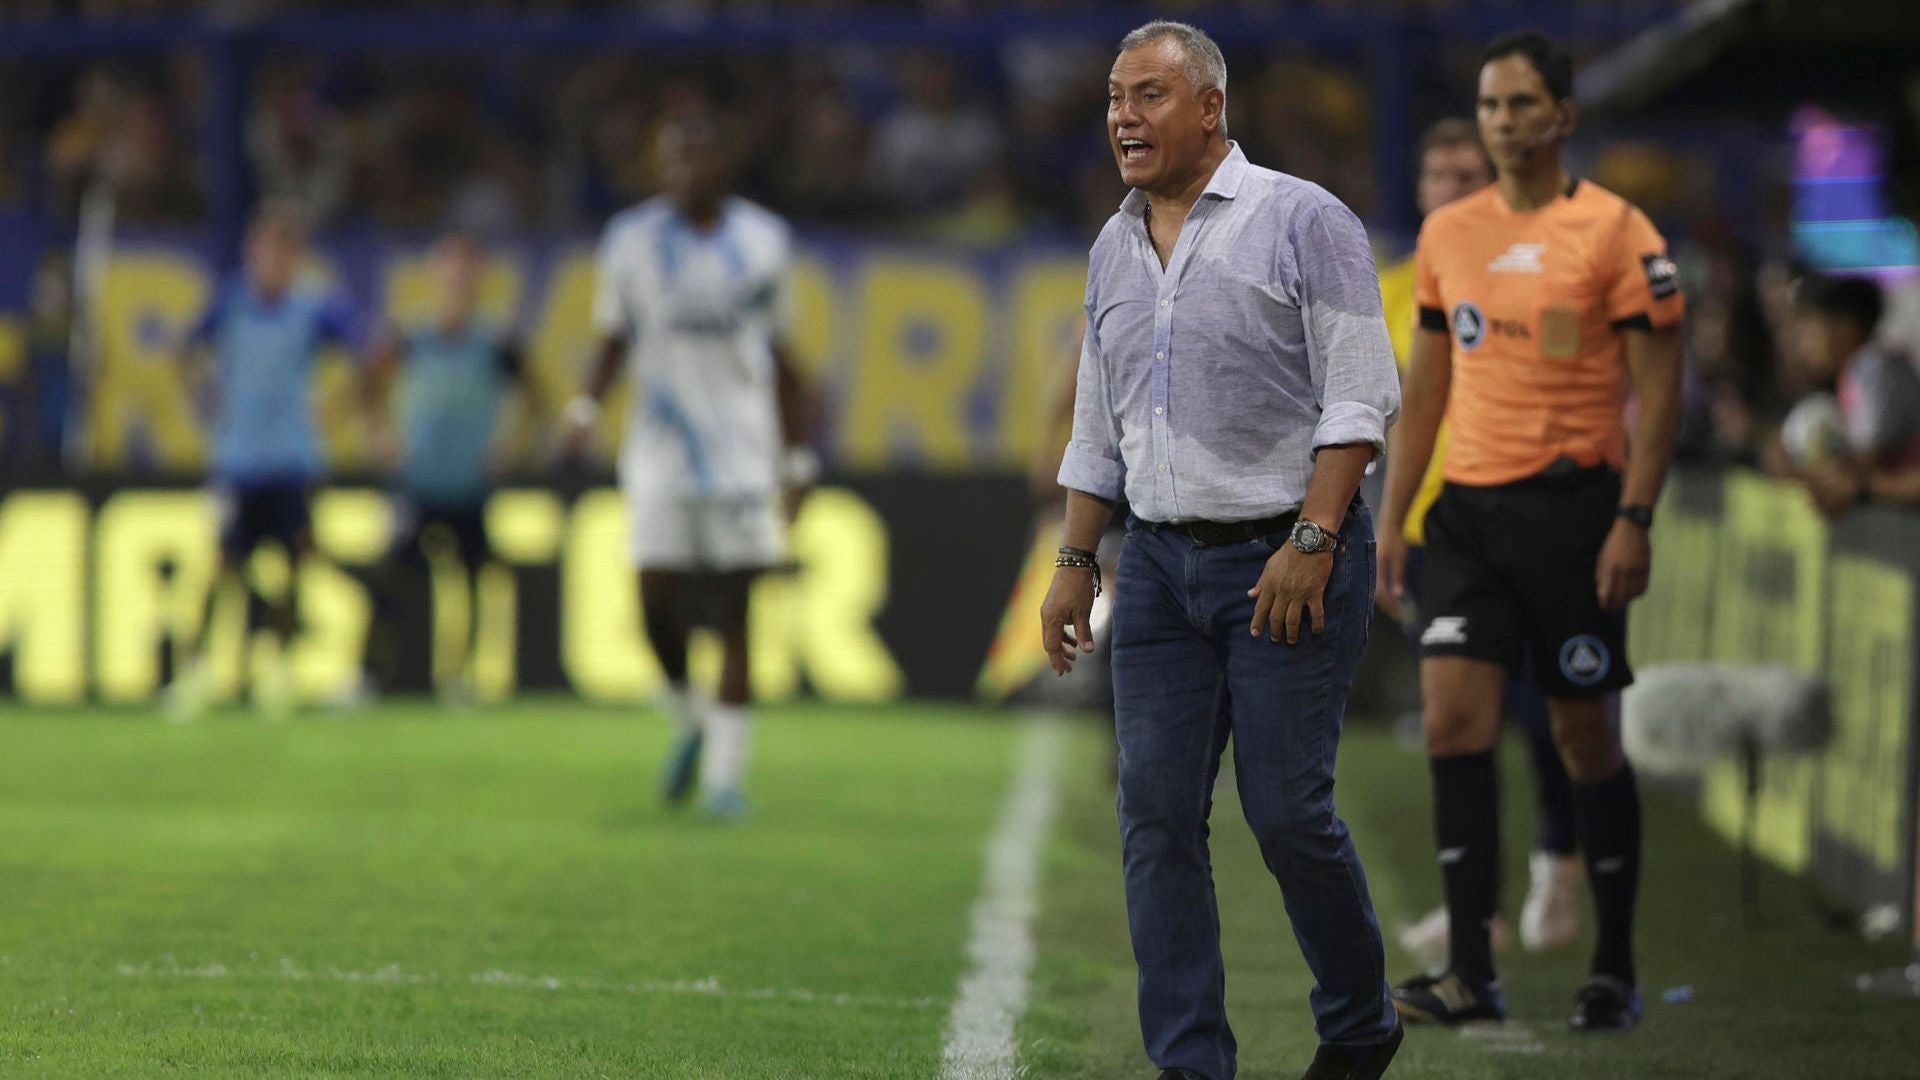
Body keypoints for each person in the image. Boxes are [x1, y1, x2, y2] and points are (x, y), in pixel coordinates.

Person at [1041, 21, 1403, 1080]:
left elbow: (1360, 393)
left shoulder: (1303, 220)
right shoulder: (1112, 244)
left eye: (1149, 94)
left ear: (1211, 109)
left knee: (1287, 814)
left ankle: (1360, 1023)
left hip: (1287, 556)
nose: (1122, 115)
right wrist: (1075, 560)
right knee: (1154, 815)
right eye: (1115, 95)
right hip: (1154, 564)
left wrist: (1313, 534)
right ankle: (1190, 1062)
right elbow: (1097, 427)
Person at [1378, 31, 1685, 1032]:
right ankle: (1471, 969)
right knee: (1456, 723)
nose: (1502, 123)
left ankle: (1614, 964)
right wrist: (1393, 514)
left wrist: (1633, 518)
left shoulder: (1618, 233)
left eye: (1519, 105)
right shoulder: (1448, 236)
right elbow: (1427, 388)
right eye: (1489, 106)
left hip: (1574, 516)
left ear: (1563, 116)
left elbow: (1660, 392)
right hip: (1466, 516)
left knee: (1582, 734)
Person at [566, 109, 818, 820]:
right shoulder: (631, 242)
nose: (688, 171)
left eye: (701, 157)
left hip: (742, 451)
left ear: (723, 167)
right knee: (653, 600)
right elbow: (612, 338)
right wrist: (584, 411)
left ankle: (725, 781)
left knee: (737, 613)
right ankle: (690, 721)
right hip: (661, 449)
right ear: (659, 166)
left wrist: (797, 460)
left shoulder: (764, 243)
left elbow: (784, 360)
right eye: (676, 158)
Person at [1378, 119, 1584, 960]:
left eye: (1470, 172)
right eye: (1439, 172)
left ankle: (1558, 863)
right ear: (1421, 189)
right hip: (1437, 530)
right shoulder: (1391, 288)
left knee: (1544, 710)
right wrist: (1384, 527)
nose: (1454, 185)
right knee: (1460, 722)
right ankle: (1478, 909)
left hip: (1532, 520)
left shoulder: (1535, 272)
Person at [165, 200, 363, 720]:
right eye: (264, 251)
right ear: (252, 253)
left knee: (294, 566)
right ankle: (199, 670)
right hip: (238, 461)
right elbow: (185, 353)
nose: (271, 262)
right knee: (224, 564)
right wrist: (205, 406)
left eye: (282, 253)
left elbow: (373, 352)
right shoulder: (229, 302)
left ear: (296, 258)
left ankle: (278, 668)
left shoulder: (314, 307)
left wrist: (335, 408)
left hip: (294, 460)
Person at [362, 232, 539, 702]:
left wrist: (509, 445)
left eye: (468, 270)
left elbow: (532, 398)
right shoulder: (410, 336)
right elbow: (368, 386)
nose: (459, 279)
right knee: (391, 579)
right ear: (435, 276)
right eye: (451, 269)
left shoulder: (495, 340)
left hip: (469, 483)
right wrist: (380, 435)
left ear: (480, 278)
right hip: (415, 481)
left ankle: (462, 677)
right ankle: (371, 674)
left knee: (475, 581)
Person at [1785, 274, 1920, 515]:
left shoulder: (1873, 368)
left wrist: (1796, 468)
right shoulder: (1855, 374)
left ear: (1845, 328)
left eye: (1811, 326)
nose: (1802, 342)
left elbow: (1858, 468)